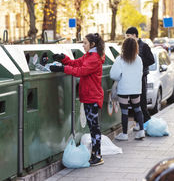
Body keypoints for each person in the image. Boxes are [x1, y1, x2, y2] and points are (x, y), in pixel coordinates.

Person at [49, 33, 105, 166]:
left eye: (85, 43)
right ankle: (95, 154)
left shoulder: (94, 58)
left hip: (92, 97)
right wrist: (64, 59)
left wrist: (62, 68)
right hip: (88, 96)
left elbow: (80, 71)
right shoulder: (89, 56)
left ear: (92, 45)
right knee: (93, 127)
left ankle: (97, 156)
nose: (83, 45)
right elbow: (76, 63)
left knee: (94, 127)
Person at [110, 37, 145, 140]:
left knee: (124, 111)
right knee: (137, 109)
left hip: (124, 88)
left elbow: (114, 75)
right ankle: (141, 131)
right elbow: (141, 73)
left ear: (124, 47)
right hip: (136, 88)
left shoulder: (120, 59)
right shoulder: (138, 59)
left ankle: (124, 134)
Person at [125, 27, 155, 129]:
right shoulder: (129, 46)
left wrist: (139, 64)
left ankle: (147, 123)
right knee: (134, 102)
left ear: (134, 35)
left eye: (128, 36)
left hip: (142, 77)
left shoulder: (144, 46)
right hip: (132, 77)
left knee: (142, 102)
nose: (127, 38)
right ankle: (138, 123)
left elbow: (151, 60)